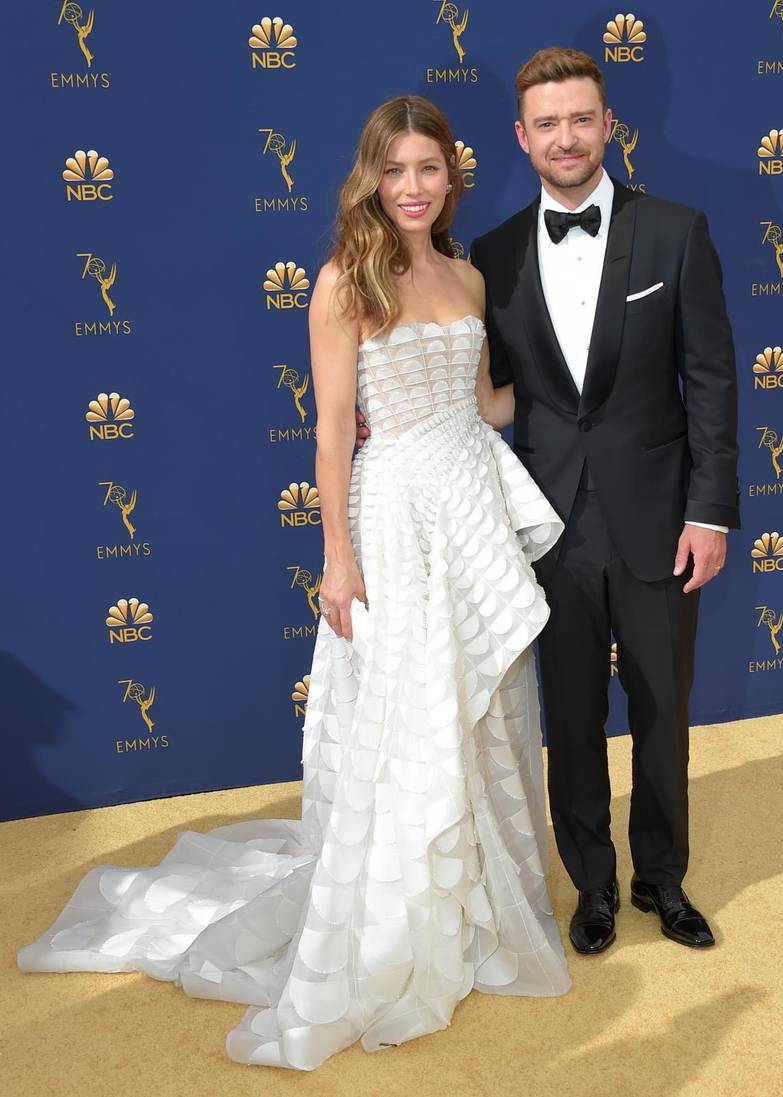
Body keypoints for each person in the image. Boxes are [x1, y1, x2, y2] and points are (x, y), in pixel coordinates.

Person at [17, 95, 570, 1071]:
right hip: (393, 509)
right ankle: (401, 919)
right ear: (370, 176)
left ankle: (477, 906)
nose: (411, 188)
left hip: (467, 500)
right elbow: (328, 431)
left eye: (428, 170)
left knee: (474, 703)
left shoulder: (472, 276)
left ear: (452, 175)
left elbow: (483, 401)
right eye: (394, 170)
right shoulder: (343, 281)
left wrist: (583, 381)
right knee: (406, 710)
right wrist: (338, 555)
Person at [469, 48, 739, 955]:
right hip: (550, 523)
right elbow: (490, 395)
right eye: (546, 123)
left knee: (664, 705)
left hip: (661, 517)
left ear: (608, 124)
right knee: (572, 712)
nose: (565, 137)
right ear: (522, 137)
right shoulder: (494, 254)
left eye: (579, 118)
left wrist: (712, 511)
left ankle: (663, 877)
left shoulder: (676, 232)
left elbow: (710, 381)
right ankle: (591, 882)